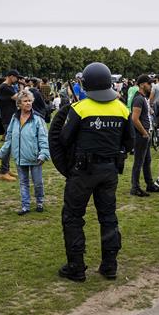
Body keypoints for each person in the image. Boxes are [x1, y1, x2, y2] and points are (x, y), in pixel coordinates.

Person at [58, 62, 132, 282]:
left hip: (83, 172)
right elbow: (129, 142)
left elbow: (63, 139)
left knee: (72, 217)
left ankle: (76, 267)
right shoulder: (121, 108)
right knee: (108, 217)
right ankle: (110, 265)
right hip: (109, 171)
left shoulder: (80, 108)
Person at [0, 89, 50, 214]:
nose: (28, 103)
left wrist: (43, 154)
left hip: (35, 158)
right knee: (23, 183)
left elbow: (43, 138)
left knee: (38, 182)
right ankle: (25, 206)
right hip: (19, 157)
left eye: (30, 101)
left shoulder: (37, 119)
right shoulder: (15, 118)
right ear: (19, 104)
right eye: (25, 101)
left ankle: (40, 202)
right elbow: (9, 138)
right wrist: (1, 153)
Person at [130, 74, 159, 197]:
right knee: (139, 162)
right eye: (149, 84)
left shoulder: (142, 98)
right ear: (143, 84)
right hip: (141, 135)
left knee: (146, 160)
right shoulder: (139, 98)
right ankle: (135, 187)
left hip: (145, 134)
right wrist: (144, 133)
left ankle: (149, 184)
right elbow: (134, 119)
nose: (151, 86)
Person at [0, 70, 20, 181]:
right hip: (8, 119)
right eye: (16, 78)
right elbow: (18, 98)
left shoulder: (8, 87)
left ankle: (6, 169)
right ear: (11, 77)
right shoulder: (5, 88)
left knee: (9, 145)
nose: (17, 80)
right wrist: (25, 90)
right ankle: (3, 171)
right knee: (8, 145)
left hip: (10, 117)